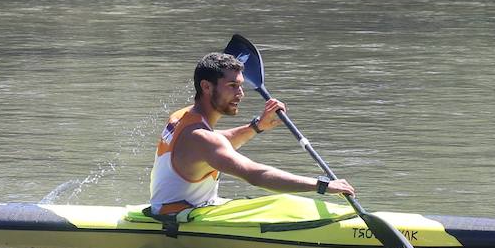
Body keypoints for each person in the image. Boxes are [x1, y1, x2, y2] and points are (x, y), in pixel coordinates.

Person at [149, 53, 354, 217]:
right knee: (280, 205)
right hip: (177, 219)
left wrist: (257, 126)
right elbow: (256, 175)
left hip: (181, 209)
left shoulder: (182, 117)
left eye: (240, 86)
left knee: (280, 204)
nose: (240, 94)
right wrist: (322, 186)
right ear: (206, 86)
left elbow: (218, 141)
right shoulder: (202, 138)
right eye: (232, 86)